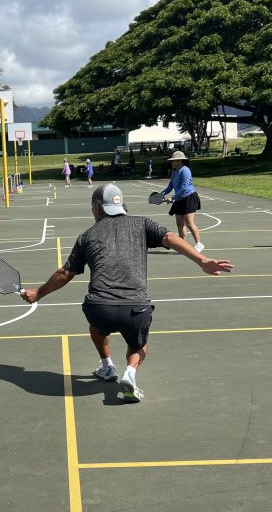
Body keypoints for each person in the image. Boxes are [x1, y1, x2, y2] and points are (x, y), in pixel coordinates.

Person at [20, 184, 234, 403]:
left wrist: (38, 292)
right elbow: (170, 238)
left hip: (99, 308)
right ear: (120, 205)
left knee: (97, 327)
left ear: (96, 208)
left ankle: (107, 366)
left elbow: (65, 274)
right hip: (135, 309)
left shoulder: (87, 236)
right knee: (139, 346)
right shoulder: (142, 223)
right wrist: (202, 260)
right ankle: (129, 374)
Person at [161, 150, 204, 252]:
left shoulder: (185, 170)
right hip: (179, 198)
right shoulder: (174, 171)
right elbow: (170, 186)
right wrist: (160, 195)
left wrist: (172, 198)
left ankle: (199, 244)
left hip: (189, 197)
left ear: (179, 161)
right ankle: (182, 245)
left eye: (173, 161)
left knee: (189, 223)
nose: (171, 163)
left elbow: (184, 188)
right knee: (179, 223)